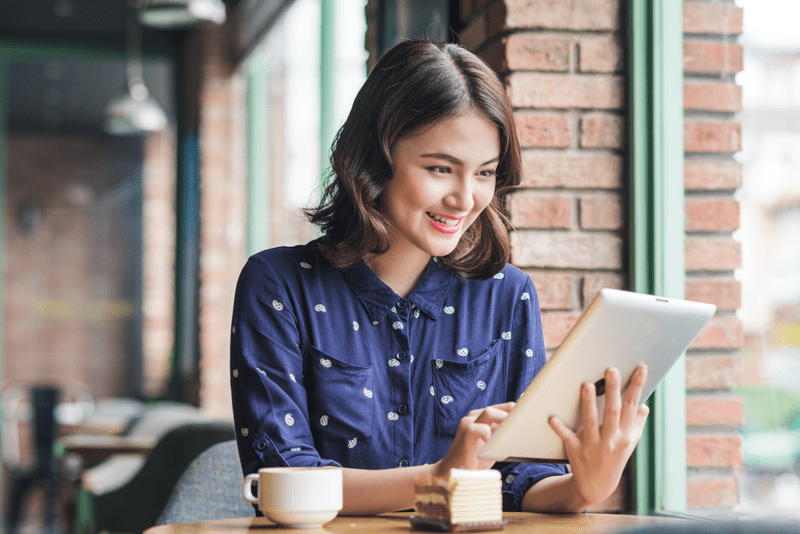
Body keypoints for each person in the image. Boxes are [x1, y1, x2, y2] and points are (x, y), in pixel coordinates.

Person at [230, 39, 650, 515]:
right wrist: (438, 479)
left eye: (485, 173)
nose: (466, 198)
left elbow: (520, 476)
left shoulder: (508, 296)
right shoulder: (278, 284)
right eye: (440, 169)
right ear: (374, 158)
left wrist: (585, 487)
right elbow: (280, 476)